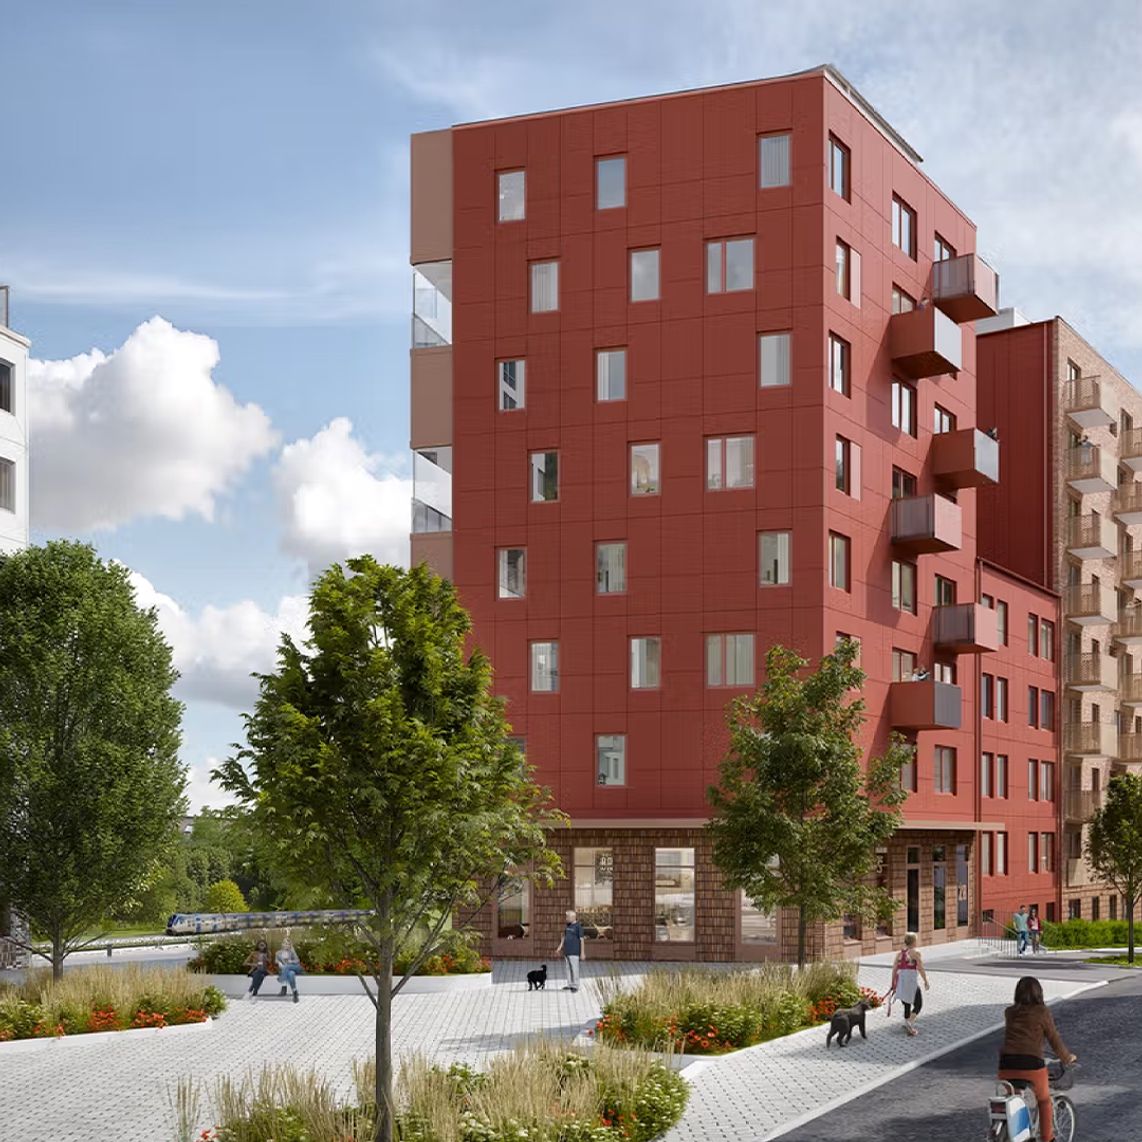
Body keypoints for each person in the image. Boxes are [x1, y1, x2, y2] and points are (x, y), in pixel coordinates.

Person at [997, 976, 1077, 1142]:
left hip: (1006, 1064)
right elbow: (1054, 1039)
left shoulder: (1010, 1012)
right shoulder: (1042, 1012)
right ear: (1039, 993)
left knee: (1014, 1098)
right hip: (1031, 1065)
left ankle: (1016, 1131)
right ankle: (1048, 1139)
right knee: (1044, 1100)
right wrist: (1067, 1058)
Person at [890, 932, 930, 1037]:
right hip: (911, 982)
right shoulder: (916, 953)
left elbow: (894, 970)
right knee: (918, 1004)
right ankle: (909, 1023)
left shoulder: (899, 954)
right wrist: (925, 981)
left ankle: (906, 1022)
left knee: (906, 1003)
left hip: (901, 982)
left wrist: (893, 984)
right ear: (913, 942)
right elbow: (920, 968)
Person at [554, 909, 584, 992]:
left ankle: (575, 985)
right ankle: (570, 984)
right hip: (567, 951)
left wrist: (582, 953)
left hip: (574, 951)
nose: (566, 918)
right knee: (568, 968)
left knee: (574, 968)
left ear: (573, 917)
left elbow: (581, 940)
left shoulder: (578, 927)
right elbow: (564, 938)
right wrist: (559, 948)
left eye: (567, 917)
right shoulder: (568, 926)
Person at [275, 933, 302, 1003]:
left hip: (294, 967)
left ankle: (282, 979)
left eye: (288, 944)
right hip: (286, 970)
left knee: (287, 967)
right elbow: (276, 961)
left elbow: (297, 961)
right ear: (282, 944)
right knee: (291, 974)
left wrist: (291, 961)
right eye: (285, 943)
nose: (286, 945)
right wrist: (279, 963)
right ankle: (295, 992)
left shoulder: (292, 952)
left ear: (290, 945)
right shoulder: (278, 953)